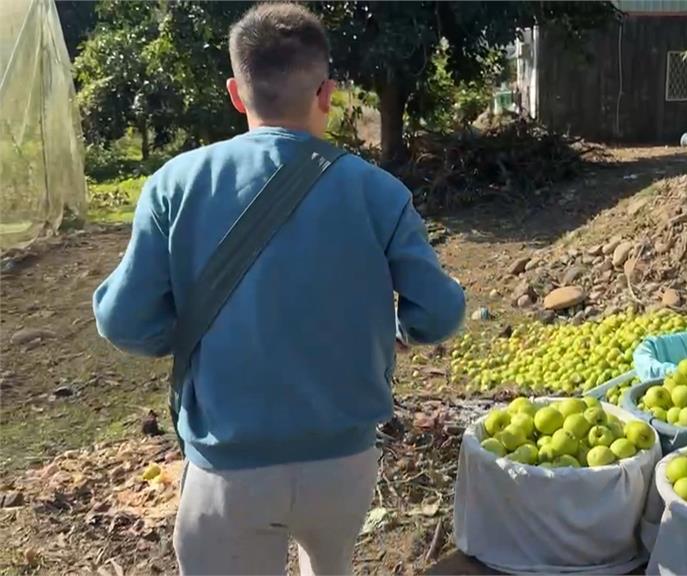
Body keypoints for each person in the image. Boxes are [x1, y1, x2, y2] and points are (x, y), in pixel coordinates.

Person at [92, 4, 465, 575]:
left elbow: (123, 322)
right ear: (327, 93)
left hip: (228, 468)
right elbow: (438, 312)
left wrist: (190, 334)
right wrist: (401, 330)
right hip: (344, 462)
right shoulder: (379, 192)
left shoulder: (174, 185)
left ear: (236, 94)